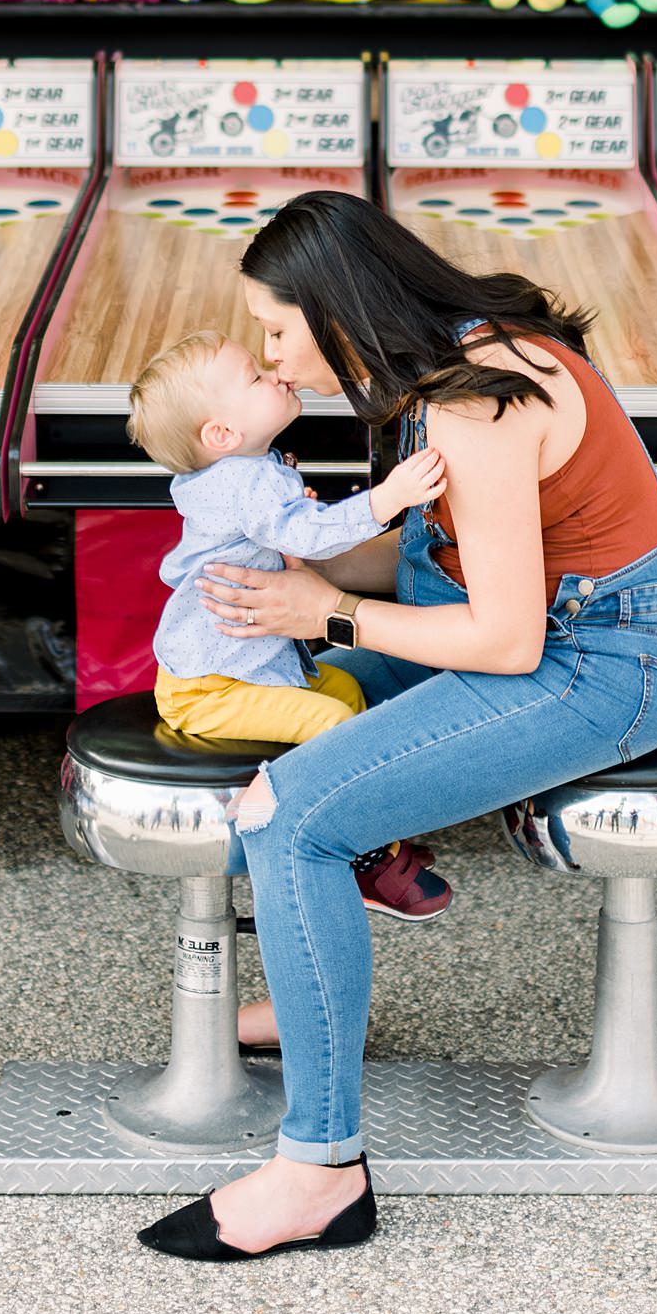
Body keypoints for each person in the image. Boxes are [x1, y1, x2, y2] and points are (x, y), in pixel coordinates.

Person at [136, 191, 657, 1264]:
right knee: (288, 703)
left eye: (274, 328)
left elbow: (505, 637)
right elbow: (426, 563)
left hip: (607, 665)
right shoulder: (441, 362)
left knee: (294, 818)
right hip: (514, 626)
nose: (268, 354)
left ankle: (319, 1172)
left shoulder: (475, 404)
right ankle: (321, 981)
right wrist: (276, 579)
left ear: (334, 307)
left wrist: (330, 609)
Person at [127, 327, 453, 920]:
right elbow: (305, 534)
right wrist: (391, 496)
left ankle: (356, 825)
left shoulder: (245, 470)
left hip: (234, 670)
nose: (273, 370)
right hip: (209, 689)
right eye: (254, 375)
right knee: (331, 720)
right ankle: (345, 850)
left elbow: (287, 531)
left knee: (347, 690)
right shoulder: (241, 480)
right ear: (221, 434)